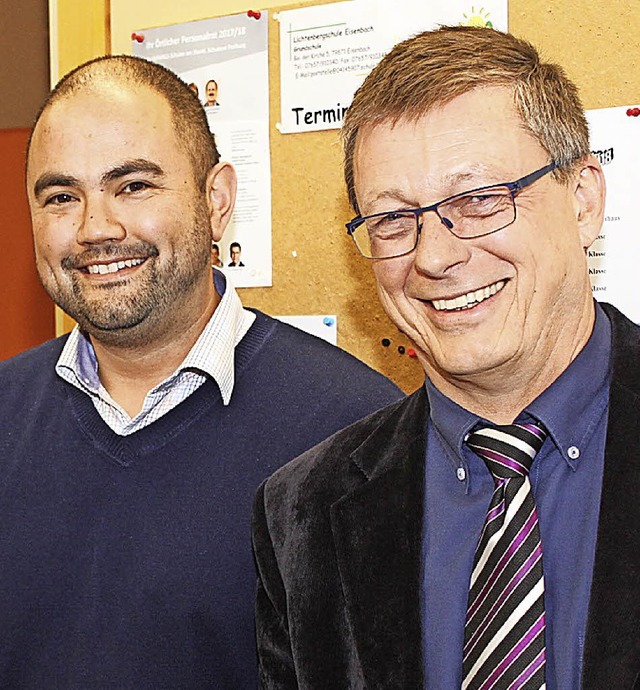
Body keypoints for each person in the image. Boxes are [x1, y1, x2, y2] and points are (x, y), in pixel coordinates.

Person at [253, 26, 640, 689]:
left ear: (584, 201)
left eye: (480, 199)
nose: (433, 257)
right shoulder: (303, 513)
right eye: (394, 221)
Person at [0, 55, 402, 688]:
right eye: (60, 197)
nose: (95, 228)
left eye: (133, 185)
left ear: (217, 202)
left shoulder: (356, 432)